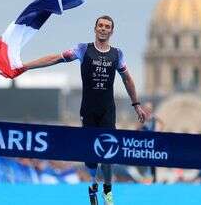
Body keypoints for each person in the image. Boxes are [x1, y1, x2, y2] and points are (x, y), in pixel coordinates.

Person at [19, 15, 146, 205]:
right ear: (95, 29)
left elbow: (127, 79)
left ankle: (108, 191)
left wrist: (136, 104)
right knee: (91, 157)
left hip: (107, 110)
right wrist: (26, 66)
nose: (103, 29)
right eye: (100, 26)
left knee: (108, 153)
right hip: (88, 109)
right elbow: (55, 58)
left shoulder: (117, 54)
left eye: (107, 26)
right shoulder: (83, 49)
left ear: (111, 31)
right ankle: (93, 184)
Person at [137, 101, 164, 183]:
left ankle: (154, 179)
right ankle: (144, 177)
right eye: (147, 109)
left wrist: (158, 131)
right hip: (143, 143)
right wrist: (142, 123)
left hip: (151, 142)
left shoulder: (154, 118)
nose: (148, 110)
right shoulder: (142, 117)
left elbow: (162, 123)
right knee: (143, 160)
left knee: (152, 161)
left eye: (149, 109)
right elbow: (137, 129)